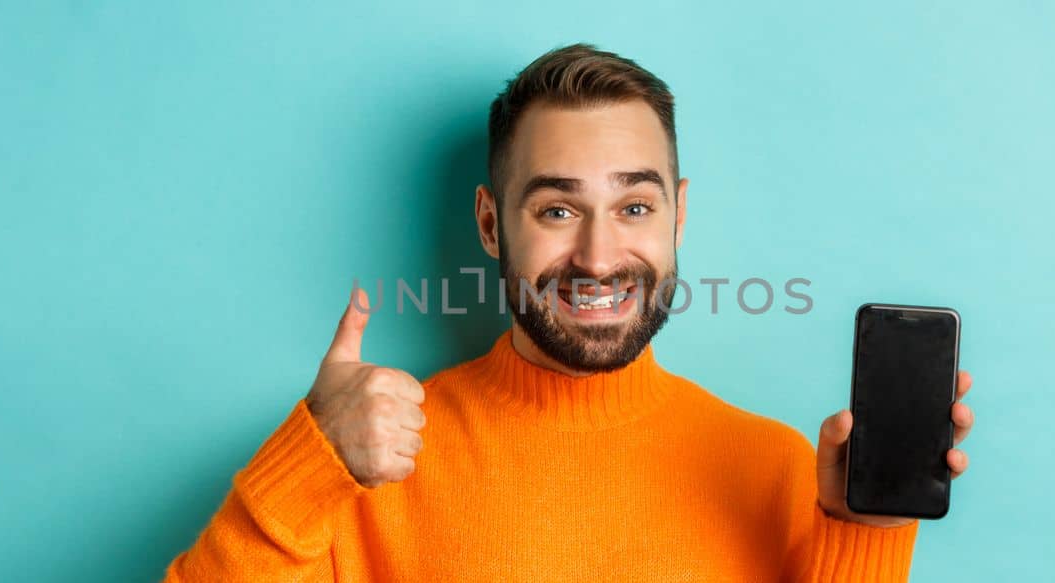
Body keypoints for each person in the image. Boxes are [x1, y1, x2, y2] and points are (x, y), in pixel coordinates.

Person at [163, 42, 976, 582]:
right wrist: (309, 466)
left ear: (678, 217)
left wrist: (860, 527)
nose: (597, 256)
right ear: (490, 223)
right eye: (557, 210)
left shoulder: (776, 468)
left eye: (634, 207)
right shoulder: (372, 466)